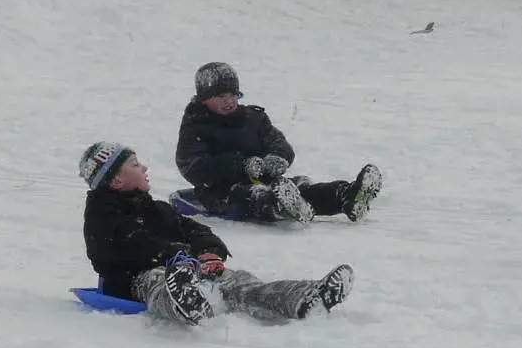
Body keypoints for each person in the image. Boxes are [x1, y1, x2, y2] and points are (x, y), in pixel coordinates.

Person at [80, 141, 354, 326]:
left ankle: (303, 298)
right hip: (134, 281)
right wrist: (173, 254)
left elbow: (195, 229)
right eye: (135, 165)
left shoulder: (156, 209)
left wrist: (207, 251)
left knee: (239, 282)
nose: (144, 168)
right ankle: (184, 303)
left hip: (187, 266)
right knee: (156, 281)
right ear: (116, 180)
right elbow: (126, 242)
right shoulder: (102, 215)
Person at [175, 62, 382, 224]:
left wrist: (278, 156)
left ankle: (347, 197)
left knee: (301, 187)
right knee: (252, 196)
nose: (229, 101)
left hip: (269, 179)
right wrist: (239, 165)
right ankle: (281, 207)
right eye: (221, 96)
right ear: (203, 98)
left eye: (233, 95)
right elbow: (193, 166)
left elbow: (276, 140)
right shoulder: (196, 126)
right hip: (220, 190)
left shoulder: (252, 118)